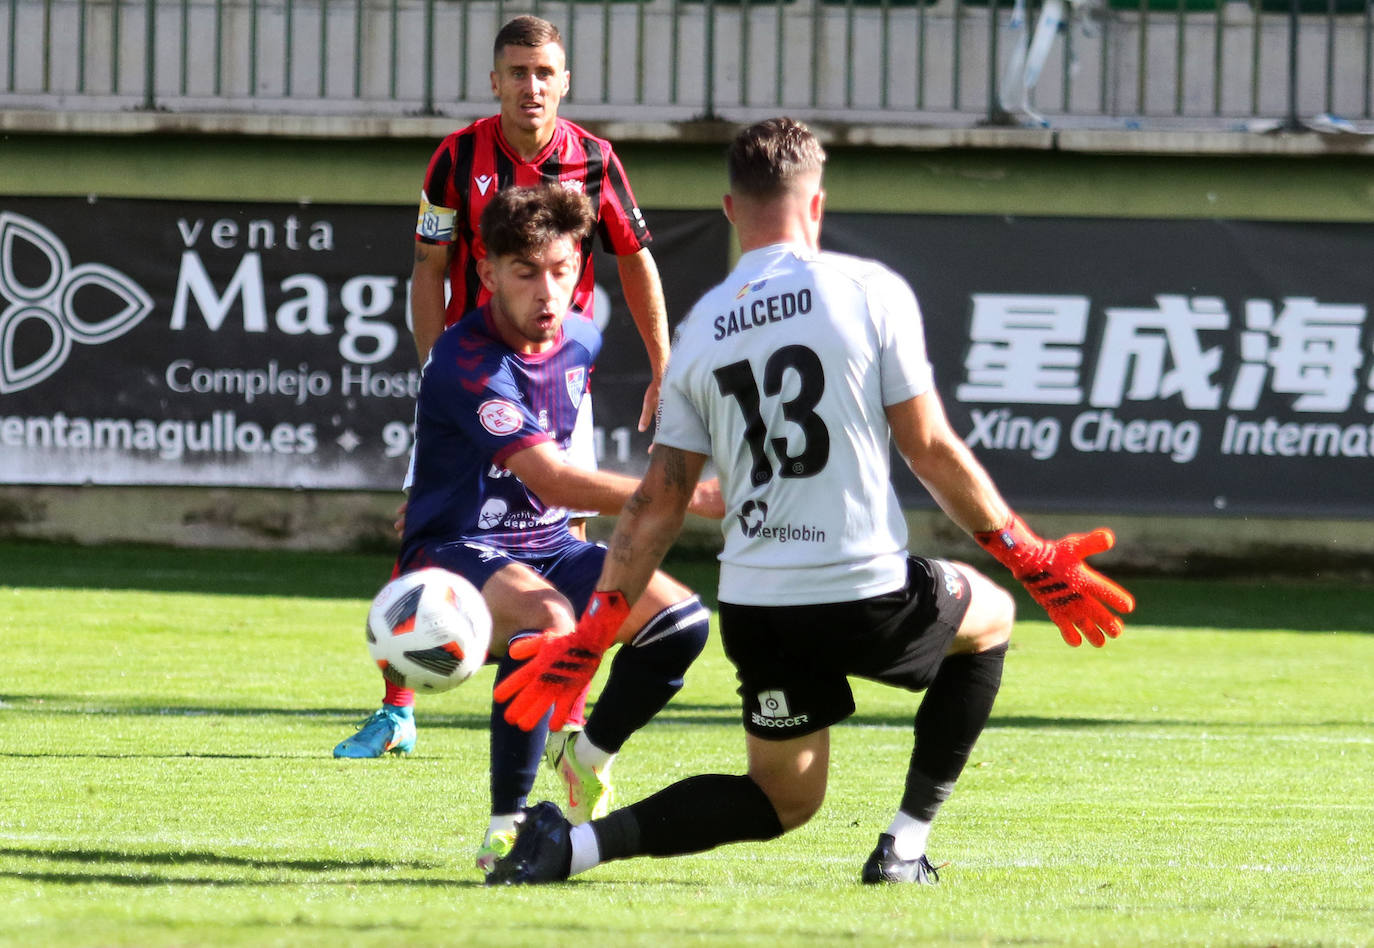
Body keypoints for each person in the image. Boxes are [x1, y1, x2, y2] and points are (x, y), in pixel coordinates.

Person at [485, 118, 1135, 886]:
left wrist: (598, 630)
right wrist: (1026, 552)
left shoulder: (699, 334)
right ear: (817, 205)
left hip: (759, 609)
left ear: (731, 211)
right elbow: (929, 448)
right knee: (991, 618)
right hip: (860, 589)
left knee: (782, 799)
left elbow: (657, 504)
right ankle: (903, 846)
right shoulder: (867, 290)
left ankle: (566, 848)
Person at [346, 184, 722, 875]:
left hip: (551, 544)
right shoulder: (465, 360)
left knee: (683, 623)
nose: (548, 290)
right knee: (548, 621)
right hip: (455, 549)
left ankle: (587, 755)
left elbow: (562, 463)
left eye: (562, 268)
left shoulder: (581, 337)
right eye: (526, 272)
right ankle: (507, 828)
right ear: (487, 273)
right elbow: (551, 476)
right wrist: (690, 495)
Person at [338, 13, 670, 760]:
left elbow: (636, 258)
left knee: (568, 534)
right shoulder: (455, 160)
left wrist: (664, 364)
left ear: (565, 81)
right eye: (517, 72)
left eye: (544, 72)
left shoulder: (595, 159)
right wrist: (436, 375)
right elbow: (428, 268)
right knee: (431, 527)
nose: (531, 86)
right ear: (495, 81)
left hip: (560, 382)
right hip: (477, 372)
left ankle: (568, 710)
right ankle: (397, 707)